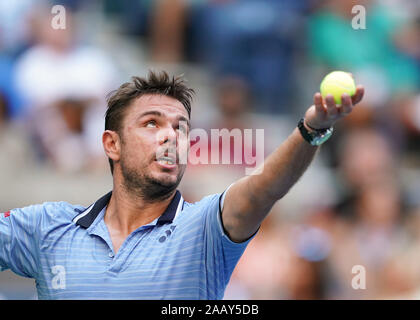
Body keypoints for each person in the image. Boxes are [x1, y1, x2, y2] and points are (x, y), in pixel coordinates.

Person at [0, 70, 364, 299]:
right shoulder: (46, 228)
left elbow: (264, 187)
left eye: (181, 128)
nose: (170, 137)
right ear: (112, 144)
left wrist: (311, 129)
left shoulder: (204, 229)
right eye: (151, 124)